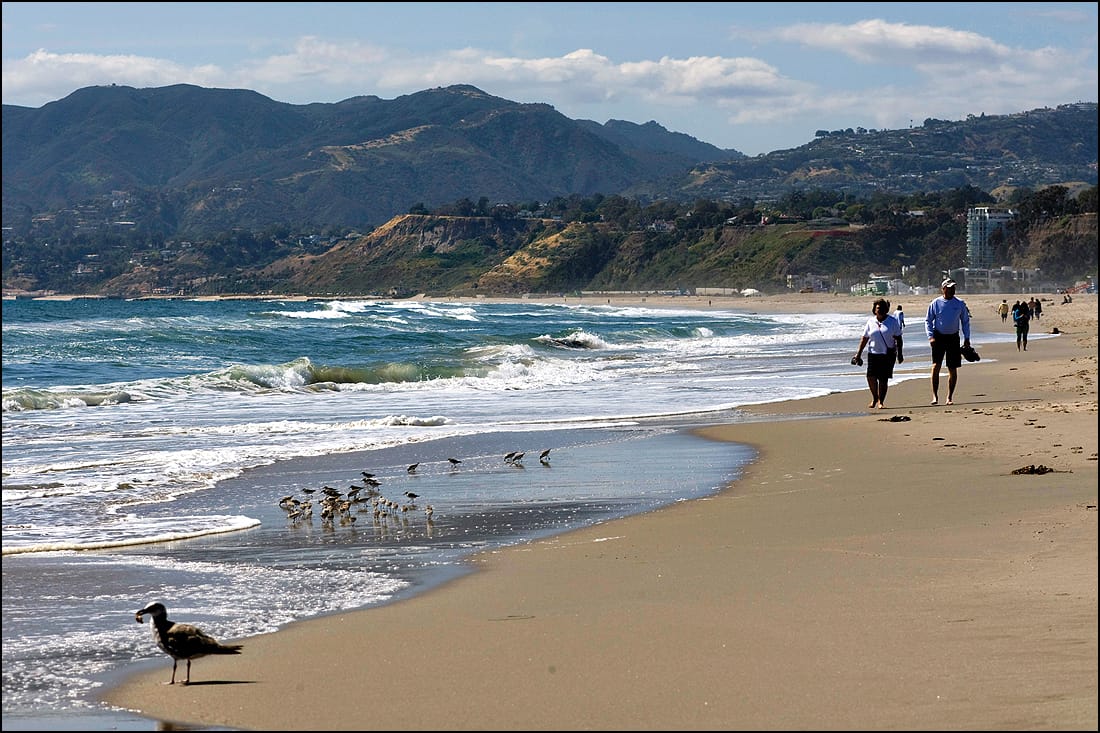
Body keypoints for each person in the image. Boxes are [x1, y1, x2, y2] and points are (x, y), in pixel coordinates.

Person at [924, 278, 971, 406]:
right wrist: (931, 337)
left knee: (953, 368)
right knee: (936, 366)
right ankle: (935, 396)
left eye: (953, 287)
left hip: (953, 338)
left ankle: (949, 397)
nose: (952, 290)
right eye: (949, 287)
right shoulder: (935, 303)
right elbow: (928, 321)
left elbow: (965, 321)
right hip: (938, 337)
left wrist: (967, 338)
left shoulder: (960, 304)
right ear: (943, 289)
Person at [853, 298, 904, 409]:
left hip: (887, 354)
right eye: (877, 308)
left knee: (883, 379)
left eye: (881, 308)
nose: (879, 310)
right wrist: (858, 354)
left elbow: (899, 339)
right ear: (874, 310)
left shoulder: (892, 321)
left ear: (885, 309)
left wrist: (900, 354)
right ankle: (875, 397)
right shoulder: (871, 322)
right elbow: (864, 338)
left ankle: (881, 401)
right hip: (873, 353)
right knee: (870, 377)